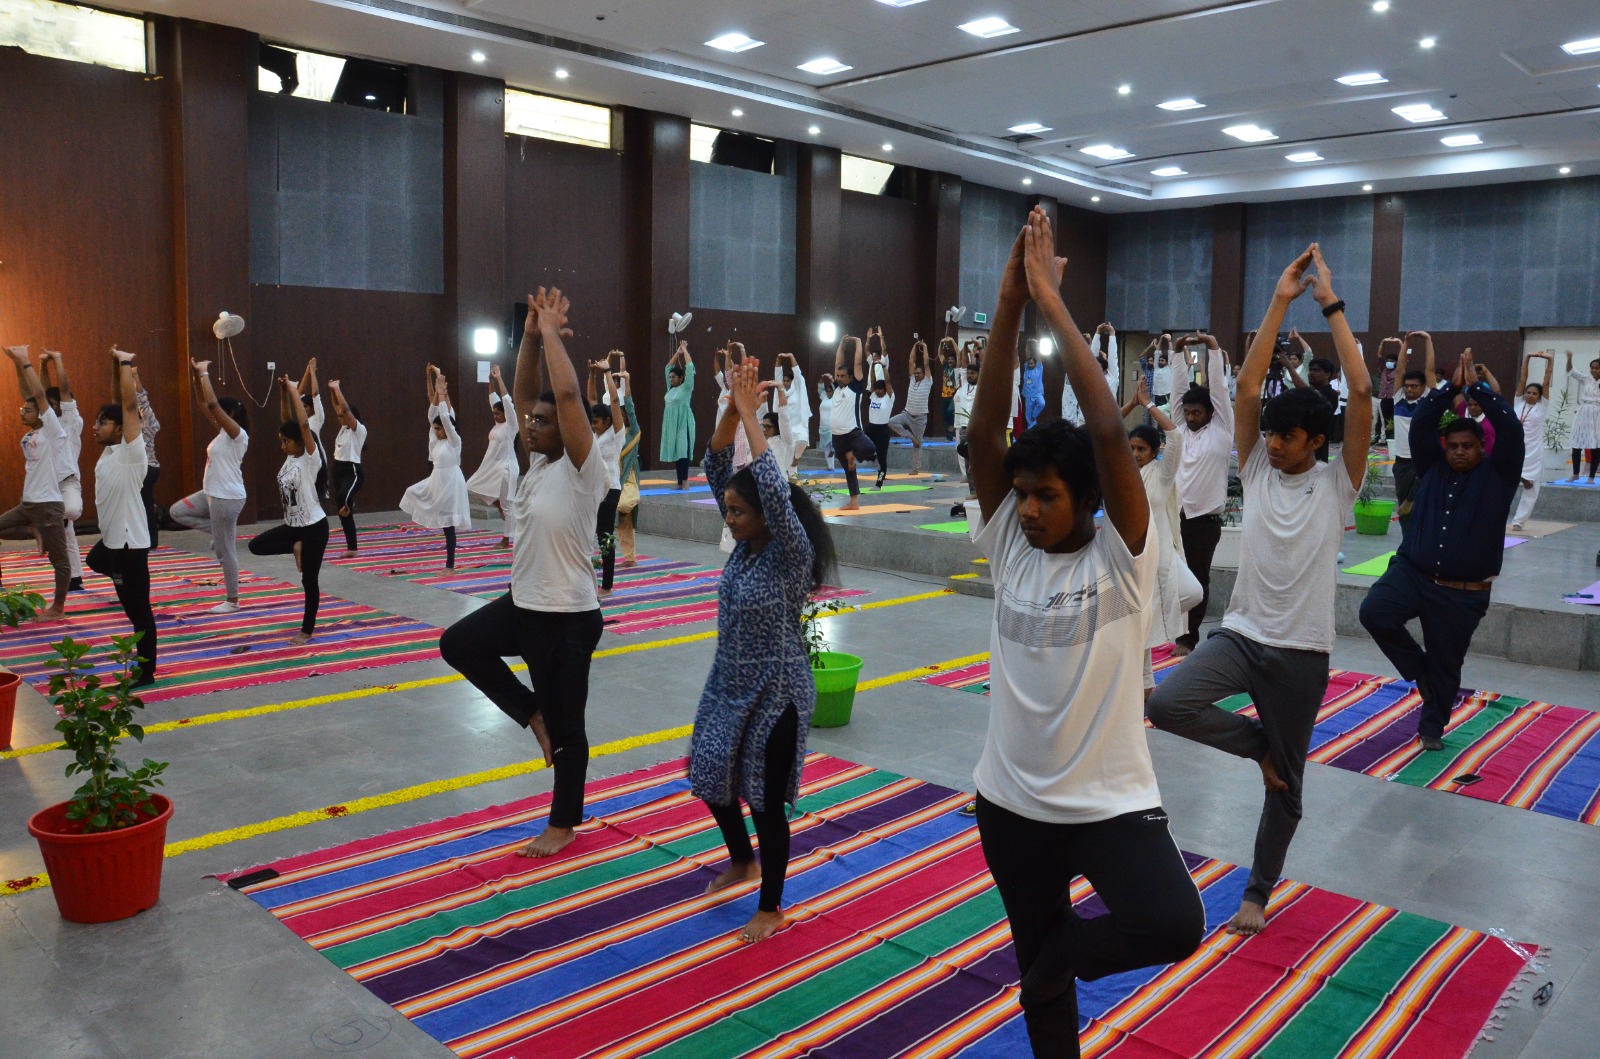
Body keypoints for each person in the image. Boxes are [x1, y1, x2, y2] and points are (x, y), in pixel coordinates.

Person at [964, 209, 1202, 1058]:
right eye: (1022, 493)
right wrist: (1007, 302)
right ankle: (1049, 981)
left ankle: (1055, 957)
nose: (1028, 509)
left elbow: (1106, 433)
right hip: (1011, 806)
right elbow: (983, 433)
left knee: (1171, 921)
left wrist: (1053, 305)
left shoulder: (1122, 554)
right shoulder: (1008, 545)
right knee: (1044, 988)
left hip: (1108, 804)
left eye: (1046, 496)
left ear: (1091, 498)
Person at [1148, 243, 1373, 939]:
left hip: (1301, 653)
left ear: (1316, 441)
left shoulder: (1339, 483)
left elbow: (1363, 394)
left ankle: (1256, 891)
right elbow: (1246, 389)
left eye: (1286, 437)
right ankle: (1259, 746)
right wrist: (1278, 300)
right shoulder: (1256, 467)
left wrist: (1331, 305)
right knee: (1166, 703)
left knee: (1289, 788)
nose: (1272, 445)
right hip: (1242, 636)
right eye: (1269, 435)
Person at [439, 286, 607, 859]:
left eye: (543, 421)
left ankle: (563, 823)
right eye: (530, 421)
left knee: (569, 729)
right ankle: (530, 710)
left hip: (568, 619)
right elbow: (525, 392)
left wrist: (554, 333)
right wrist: (530, 338)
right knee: (458, 644)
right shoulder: (535, 466)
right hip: (525, 606)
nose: (531, 426)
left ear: (569, 429)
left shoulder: (585, 471)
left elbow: (566, 394)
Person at [693, 356, 837, 944]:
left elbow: (775, 492)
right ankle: (742, 860)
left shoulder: (788, 556)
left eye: (737, 512)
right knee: (709, 770)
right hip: (728, 683)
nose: (729, 518)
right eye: (728, 509)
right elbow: (715, 465)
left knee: (765, 800)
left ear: (766, 517)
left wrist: (755, 418)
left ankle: (771, 905)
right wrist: (731, 412)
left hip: (776, 693)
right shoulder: (746, 547)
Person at [1360, 350, 1523, 752]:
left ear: (1481, 447)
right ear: (1444, 447)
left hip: (1461, 592)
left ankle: (1431, 728)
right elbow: (1422, 424)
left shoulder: (1499, 476)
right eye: (1453, 446)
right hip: (1412, 574)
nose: (1459, 452)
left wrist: (1479, 391)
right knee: (1374, 612)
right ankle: (1420, 671)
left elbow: (1511, 429)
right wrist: (1450, 389)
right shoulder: (1431, 466)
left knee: (1447, 664)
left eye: (1468, 446)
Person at [1121, 375, 1202, 692]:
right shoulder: (1122, 473)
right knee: (1143, 613)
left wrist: (1149, 404)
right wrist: (1131, 404)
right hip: (1132, 554)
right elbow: (1102, 432)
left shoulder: (1162, 472)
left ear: (1156, 451)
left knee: (1193, 592)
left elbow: (1176, 436)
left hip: (1164, 551)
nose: (1135, 453)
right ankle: (1144, 684)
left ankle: (1143, 673)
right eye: (1131, 448)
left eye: (1141, 449)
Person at [87, 347, 156, 683]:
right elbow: (119, 402)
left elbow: (128, 407)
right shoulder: (111, 451)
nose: (95, 427)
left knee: (139, 612)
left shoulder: (131, 453)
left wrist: (127, 363)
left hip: (130, 547)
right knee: (96, 561)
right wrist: (115, 366)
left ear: (120, 430)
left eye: (102, 422)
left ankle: (146, 672)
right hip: (114, 543)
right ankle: (124, 581)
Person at [247, 375, 330, 645]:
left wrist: (295, 390)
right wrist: (284, 392)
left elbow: (303, 425)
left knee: (309, 581)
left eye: (286, 441)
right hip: (294, 528)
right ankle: (295, 546)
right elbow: (288, 421)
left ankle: (307, 630)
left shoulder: (310, 459)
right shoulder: (290, 457)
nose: (282, 446)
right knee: (255, 546)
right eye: (281, 441)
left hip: (314, 528)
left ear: (300, 442)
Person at [1171, 332, 1234, 655]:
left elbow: (1219, 390)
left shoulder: (1222, 430)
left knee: (1197, 579)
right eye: (1188, 412)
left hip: (1203, 521)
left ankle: (1188, 638)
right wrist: (1177, 352)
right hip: (1174, 517)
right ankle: (1168, 630)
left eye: (1197, 412)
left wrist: (1212, 348)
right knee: (1169, 576)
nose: (1191, 417)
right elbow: (1178, 391)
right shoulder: (1179, 431)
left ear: (1210, 412)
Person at [171, 358, 249, 613]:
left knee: (226, 553)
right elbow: (204, 404)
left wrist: (205, 373)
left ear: (231, 415)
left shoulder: (238, 435)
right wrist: (196, 376)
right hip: (211, 493)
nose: (216, 415)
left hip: (227, 497)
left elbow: (213, 405)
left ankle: (232, 600)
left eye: (222, 413)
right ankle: (219, 534)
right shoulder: (223, 434)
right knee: (177, 512)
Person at [1, 344, 71, 620]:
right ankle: (33, 531)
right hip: (28, 504)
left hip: (48, 506)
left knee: (60, 560)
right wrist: (17, 365)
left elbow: (39, 397)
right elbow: (29, 394)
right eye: (22, 409)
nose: (22, 412)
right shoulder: (33, 433)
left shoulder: (53, 431)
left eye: (27, 410)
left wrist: (27, 362)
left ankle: (58, 607)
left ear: (42, 414)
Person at [399, 365, 472, 569]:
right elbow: (432, 414)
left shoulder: (454, 441)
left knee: (449, 526)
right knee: (411, 492)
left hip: (451, 483)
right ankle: (449, 564)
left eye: (439, 429)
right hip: (437, 481)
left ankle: (450, 565)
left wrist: (441, 393)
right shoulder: (437, 441)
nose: (437, 431)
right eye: (436, 429)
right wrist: (430, 379)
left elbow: (445, 418)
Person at [40, 351, 85, 590]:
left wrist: (57, 359)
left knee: (72, 511)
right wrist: (42, 364)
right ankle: (74, 578)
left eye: (54, 404)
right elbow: (42, 393)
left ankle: (50, 523)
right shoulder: (48, 423)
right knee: (67, 534)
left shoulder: (71, 421)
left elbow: (63, 390)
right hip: (49, 484)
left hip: (68, 482)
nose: (49, 407)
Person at [465, 364, 520, 548]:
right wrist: (490, 381)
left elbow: (506, 401)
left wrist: (499, 378)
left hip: (507, 467)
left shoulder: (511, 425)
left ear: (506, 414)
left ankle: (506, 539)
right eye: (494, 414)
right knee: (472, 485)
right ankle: (499, 506)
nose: (495, 416)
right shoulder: (498, 425)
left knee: (509, 505)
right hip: (493, 467)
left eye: (498, 414)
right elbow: (493, 399)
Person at [1390, 331, 1438, 523]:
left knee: (1421, 503)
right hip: (1402, 461)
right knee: (1404, 508)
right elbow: (1400, 370)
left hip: (1423, 459)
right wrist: (1406, 342)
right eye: (1407, 386)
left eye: (1414, 386)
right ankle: (1407, 539)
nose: (1409, 388)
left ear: (1423, 387)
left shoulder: (1429, 399)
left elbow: (1430, 370)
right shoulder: (1398, 399)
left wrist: (1428, 340)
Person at [587, 361, 626, 595]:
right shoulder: (596, 434)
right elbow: (592, 399)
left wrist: (608, 372)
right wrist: (592, 374)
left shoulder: (616, 434)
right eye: (592, 422)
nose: (593, 425)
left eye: (596, 422)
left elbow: (613, 401)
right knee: (588, 532)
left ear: (608, 421)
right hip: (593, 488)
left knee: (605, 535)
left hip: (610, 489)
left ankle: (607, 584)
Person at [828, 335, 876, 511]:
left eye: (843, 376)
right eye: (838, 376)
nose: (839, 378)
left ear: (850, 377)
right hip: (837, 437)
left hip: (852, 432)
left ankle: (852, 454)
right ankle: (854, 502)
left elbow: (858, 364)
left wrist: (858, 343)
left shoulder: (855, 388)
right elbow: (838, 362)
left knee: (869, 448)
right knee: (849, 471)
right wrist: (841, 344)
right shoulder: (836, 388)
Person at [1510, 353, 1553, 530]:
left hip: (1533, 452)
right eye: (1528, 392)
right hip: (1514, 449)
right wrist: (1527, 358)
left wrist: (1550, 360)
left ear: (1540, 396)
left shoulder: (1542, 406)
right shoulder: (1518, 402)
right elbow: (1523, 378)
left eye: (1534, 393)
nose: (1530, 395)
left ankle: (1519, 521)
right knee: (1505, 482)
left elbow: (1546, 381)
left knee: (1531, 488)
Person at [325, 378, 367, 557]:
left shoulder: (359, 430)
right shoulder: (342, 429)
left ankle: (350, 502)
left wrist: (337, 388)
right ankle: (352, 549)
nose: (339, 417)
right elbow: (337, 406)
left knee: (343, 496)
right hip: (338, 470)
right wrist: (331, 391)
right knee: (342, 512)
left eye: (342, 416)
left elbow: (345, 409)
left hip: (352, 471)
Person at [611, 369, 643, 568]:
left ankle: (630, 558)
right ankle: (630, 558)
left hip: (629, 479)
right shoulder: (613, 433)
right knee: (623, 521)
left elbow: (629, 405)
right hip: (614, 478)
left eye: (622, 415)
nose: (619, 417)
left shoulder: (634, 432)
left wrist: (627, 381)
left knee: (624, 507)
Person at [888, 339, 933, 473]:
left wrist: (924, 347)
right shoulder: (912, 379)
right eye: (916, 373)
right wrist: (914, 346)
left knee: (918, 444)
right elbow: (910, 362)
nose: (917, 374)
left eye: (919, 373)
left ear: (924, 374)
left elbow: (926, 363)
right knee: (891, 422)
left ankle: (915, 469)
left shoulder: (928, 381)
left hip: (920, 418)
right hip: (907, 414)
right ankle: (910, 437)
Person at [130, 364, 162, 547]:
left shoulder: (146, 423)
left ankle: (147, 539)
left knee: (143, 504)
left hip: (145, 468)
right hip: (151, 467)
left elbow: (142, 399)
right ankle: (150, 539)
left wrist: (135, 375)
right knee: (146, 502)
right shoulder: (148, 424)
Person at [660, 340, 696, 489]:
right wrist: (678, 352)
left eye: (673, 377)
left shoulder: (686, 388)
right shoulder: (670, 389)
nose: (671, 379)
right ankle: (680, 482)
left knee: (682, 452)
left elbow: (690, 367)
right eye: (670, 377)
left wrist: (685, 349)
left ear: (681, 378)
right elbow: (668, 367)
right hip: (671, 424)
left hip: (683, 424)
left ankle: (685, 481)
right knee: (676, 452)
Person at [1564, 350, 1600, 483]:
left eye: (1597, 368)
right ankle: (1575, 474)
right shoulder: (1586, 379)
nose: (1594, 370)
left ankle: (1591, 476)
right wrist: (1569, 358)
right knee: (1576, 443)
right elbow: (1571, 371)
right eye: (1592, 368)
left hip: (1597, 414)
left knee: (1595, 445)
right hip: (1583, 412)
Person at [296, 358, 330, 500]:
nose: (302, 409)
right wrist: (306, 373)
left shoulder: (317, 418)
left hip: (316, 458)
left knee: (316, 494)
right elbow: (297, 394)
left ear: (312, 408)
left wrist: (313, 372)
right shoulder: (302, 420)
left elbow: (315, 394)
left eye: (305, 406)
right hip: (303, 458)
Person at [773, 353, 810, 476]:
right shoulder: (781, 392)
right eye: (784, 381)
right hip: (785, 427)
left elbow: (798, 375)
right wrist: (778, 361)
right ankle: (790, 480)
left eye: (788, 381)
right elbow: (777, 377)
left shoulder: (798, 389)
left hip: (798, 425)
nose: (785, 383)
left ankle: (796, 458)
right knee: (786, 458)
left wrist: (791, 357)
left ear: (793, 381)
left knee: (802, 441)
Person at [864, 350, 895, 490]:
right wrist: (872, 365)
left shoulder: (889, 398)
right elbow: (872, 380)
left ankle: (879, 483)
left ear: (885, 390)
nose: (877, 391)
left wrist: (883, 366)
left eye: (880, 389)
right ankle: (872, 456)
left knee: (882, 459)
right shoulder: (873, 396)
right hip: (871, 428)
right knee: (862, 447)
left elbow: (887, 381)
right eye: (876, 389)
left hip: (882, 430)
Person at [953, 347, 979, 496]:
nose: (969, 375)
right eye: (968, 373)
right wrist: (965, 348)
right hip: (963, 427)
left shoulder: (982, 387)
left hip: (976, 428)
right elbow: (962, 364)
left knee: (978, 460)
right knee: (967, 459)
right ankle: (972, 490)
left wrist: (976, 348)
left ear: (978, 374)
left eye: (972, 373)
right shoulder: (963, 385)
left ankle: (982, 489)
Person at [938, 337, 958, 439]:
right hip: (944, 395)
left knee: (951, 412)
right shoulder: (945, 366)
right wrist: (941, 343)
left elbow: (958, 354)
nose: (950, 361)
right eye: (949, 359)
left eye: (952, 359)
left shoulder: (957, 368)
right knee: (945, 415)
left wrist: (952, 341)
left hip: (954, 394)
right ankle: (949, 434)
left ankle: (953, 430)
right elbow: (940, 354)